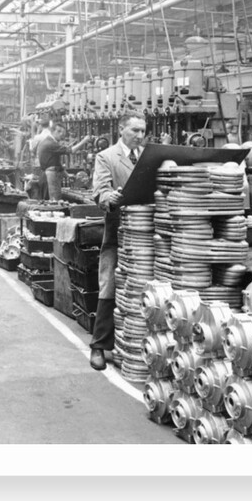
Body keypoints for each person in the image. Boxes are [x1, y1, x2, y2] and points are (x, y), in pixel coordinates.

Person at [89, 112, 148, 371]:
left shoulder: (148, 156)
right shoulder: (107, 157)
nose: (139, 135)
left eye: (143, 131)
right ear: (121, 128)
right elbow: (100, 191)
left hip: (146, 231)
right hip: (118, 229)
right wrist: (107, 197)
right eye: (134, 130)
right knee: (109, 284)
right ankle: (99, 346)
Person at [36, 125, 92, 200]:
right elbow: (70, 151)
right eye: (60, 133)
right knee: (54, 201)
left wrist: (67, 175)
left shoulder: (48, 141)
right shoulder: (50, 143)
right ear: (54, 131)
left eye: (63, 133)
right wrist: (84, 141)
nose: (61, 136)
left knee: (51, 201)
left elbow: (56, 163)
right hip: (50, 176)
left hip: (47, 176)